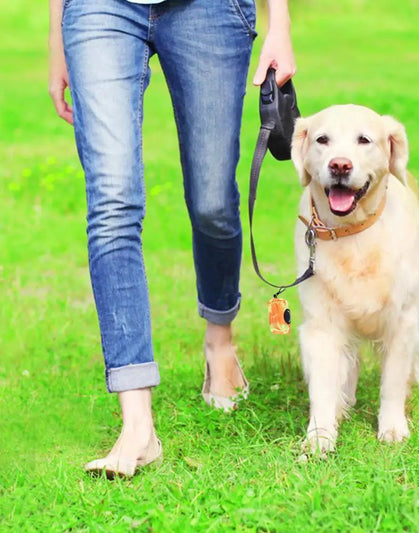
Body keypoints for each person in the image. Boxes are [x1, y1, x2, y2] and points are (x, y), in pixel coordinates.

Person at [48, 0, 295, 477]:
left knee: (213, 203)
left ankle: (219, 342)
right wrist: (57, 36)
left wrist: (279, 22)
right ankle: (137, 424)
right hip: (98, 10)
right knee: (112, 202)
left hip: (210, 10)